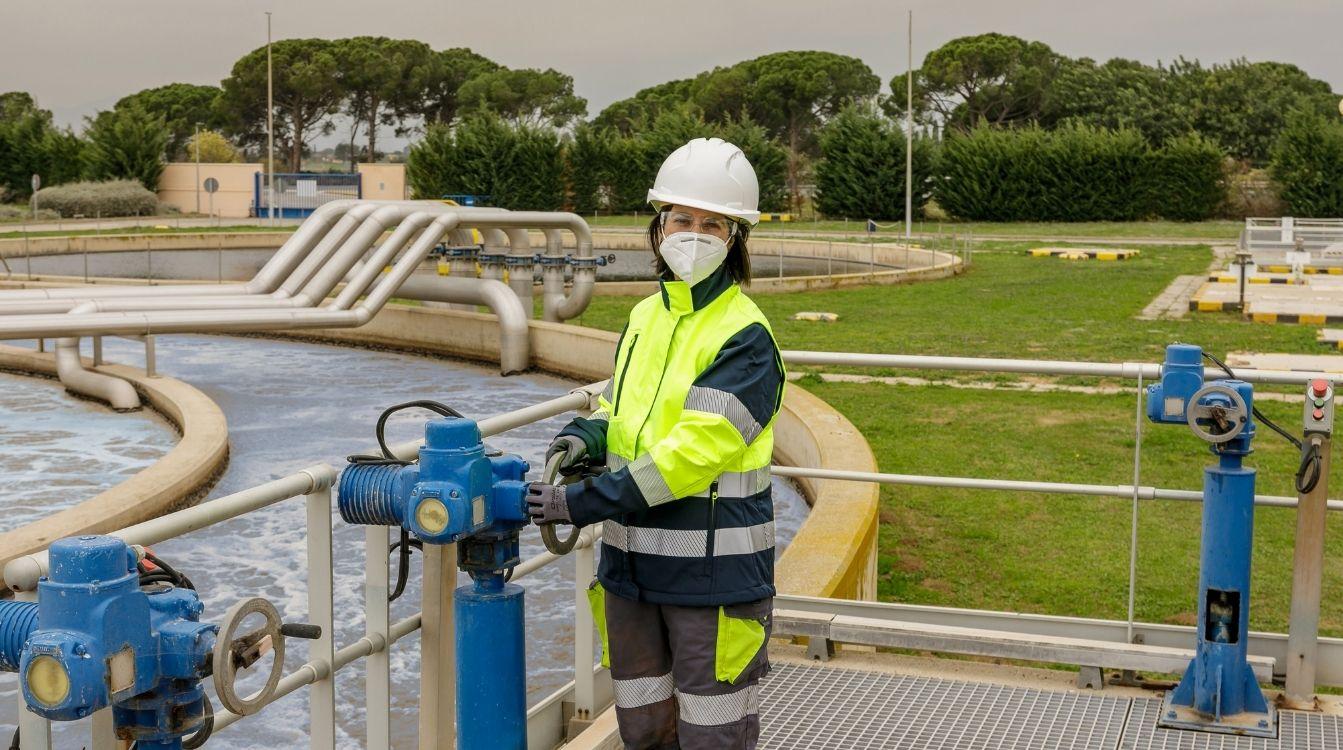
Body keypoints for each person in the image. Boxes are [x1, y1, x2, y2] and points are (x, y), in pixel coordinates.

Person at [527, 137, 785, 750]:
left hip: (712, 580)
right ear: (659, 226)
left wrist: (583, 502)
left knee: (711, 737)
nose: (692, 234)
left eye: (711, 224)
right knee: (642, 729)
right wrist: (582, 436)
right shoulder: (647, 317)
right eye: (681, 219)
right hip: (631, 572)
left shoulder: (745, 336)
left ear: (734, 238)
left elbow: (692, 455)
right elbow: (625, 411)